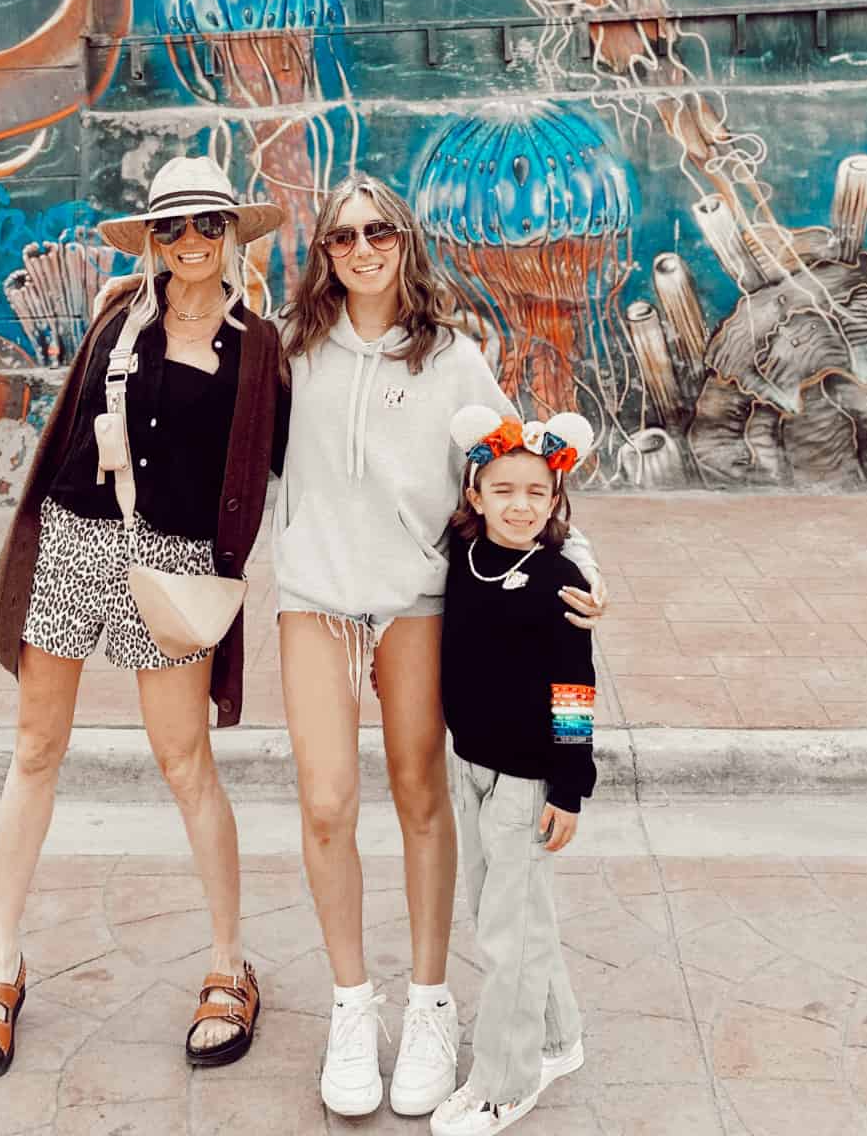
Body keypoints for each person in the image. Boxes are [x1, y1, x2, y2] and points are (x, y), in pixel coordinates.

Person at [275, 176, 607, 1119]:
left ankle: (428, 1003)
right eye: (343, 237)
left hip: (417, 600)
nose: (363, 248)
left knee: (425, 797)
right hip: (315, 598)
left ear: (405, 242)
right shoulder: (292, 348)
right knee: (328, 803)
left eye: (380, 231)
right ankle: (352, 1007)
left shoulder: (452, 356)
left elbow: (521, 467)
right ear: (325, 254)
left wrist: (577, 558)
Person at [0, 157, 290, 1081]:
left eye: (206, 227)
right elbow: (66, 435)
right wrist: (15, 561)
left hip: (176, 560)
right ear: (151, 238)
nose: (188, 244)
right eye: (171, 228)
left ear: (233, 234)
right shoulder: (118, 317)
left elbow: (284, 466)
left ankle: (230, 966)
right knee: (35, 748)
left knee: (184, 762)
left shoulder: (258, 347)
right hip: (75, 540)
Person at [429, 406, 598, 1136]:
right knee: (509, 919)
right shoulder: (462, 558)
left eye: (536, 491)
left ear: (555, 501)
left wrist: (569, 785)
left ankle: (506, 1081)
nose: (520, 505)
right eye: (503, 489)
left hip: (528, 780)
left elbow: (574, 692)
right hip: (468, 765)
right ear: (475, 494)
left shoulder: (559, 580)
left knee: (509, 935)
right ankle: (559, 1040)